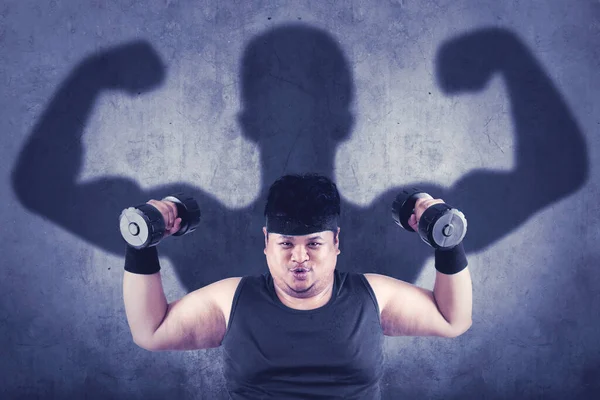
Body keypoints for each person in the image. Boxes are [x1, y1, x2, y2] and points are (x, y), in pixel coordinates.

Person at [123, 173, 472, 399]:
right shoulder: (232, 300)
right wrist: (142, 245)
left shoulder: (372, 296)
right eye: (286, 244)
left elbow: (452, 319)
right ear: (266, 241)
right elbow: (150, 331)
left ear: (336, 241)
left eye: (314, 244)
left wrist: (447, 241)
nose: (299, 258)